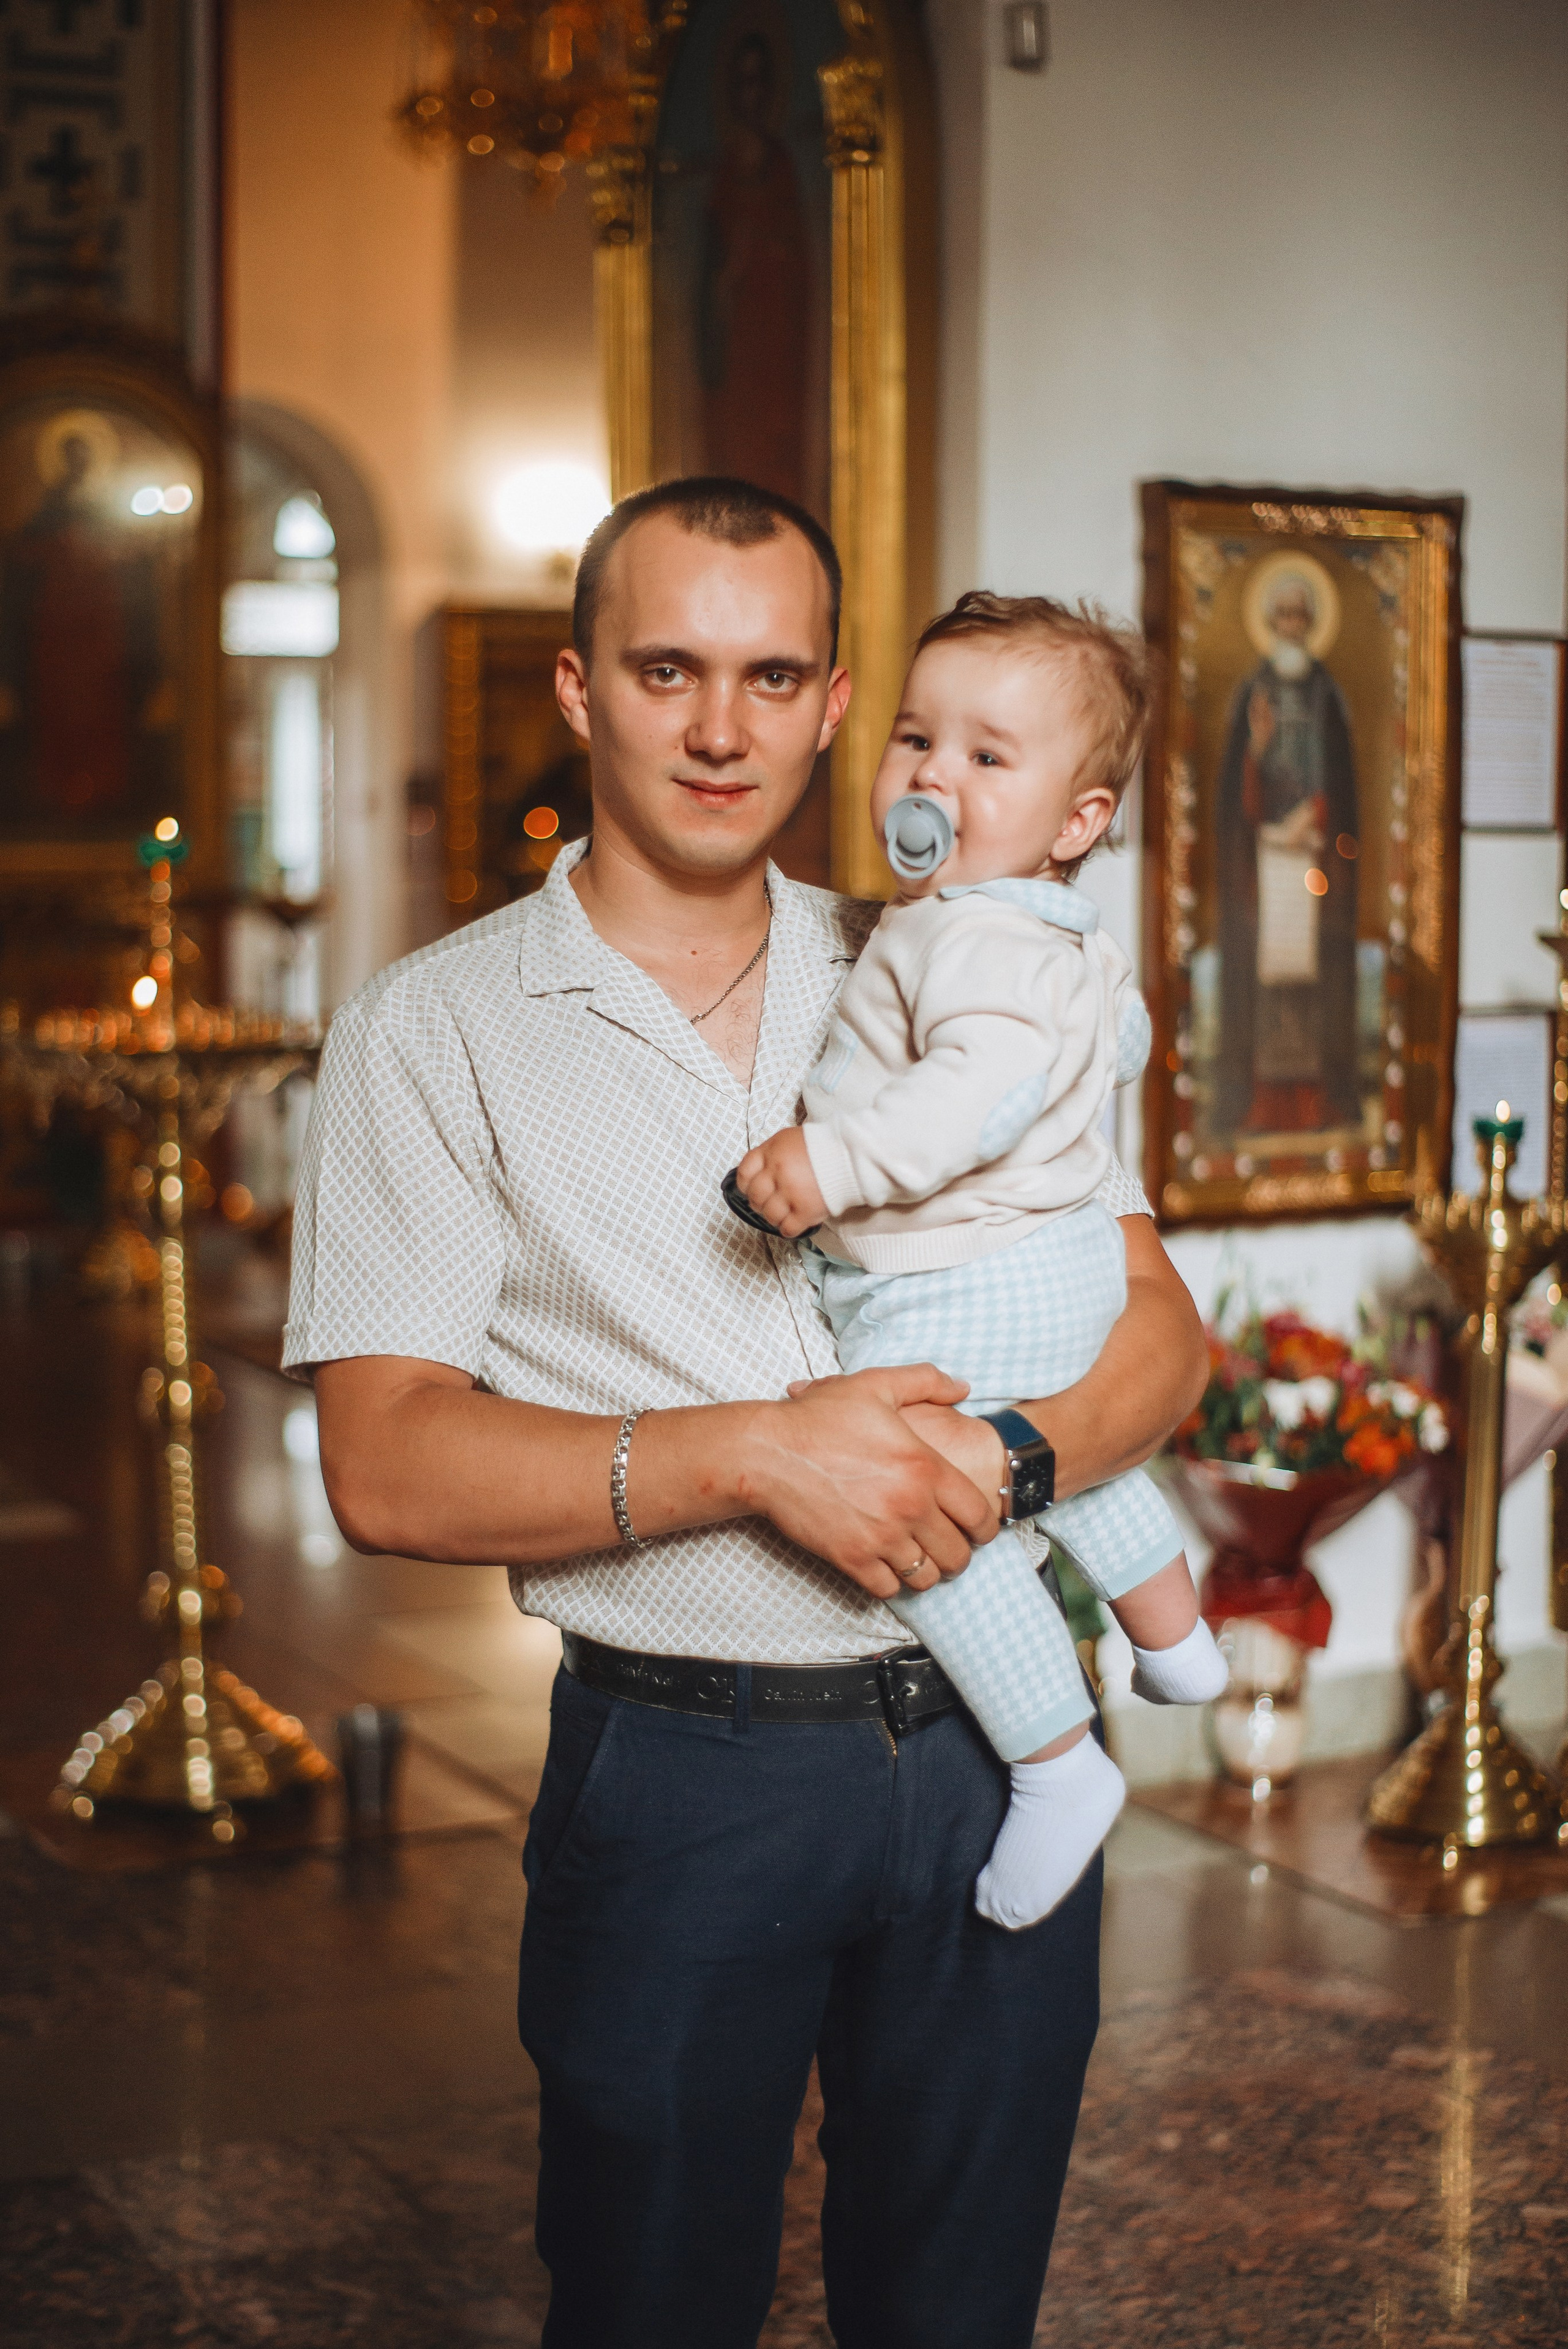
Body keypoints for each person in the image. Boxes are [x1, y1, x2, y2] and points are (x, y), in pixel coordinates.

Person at [288, 477, 1207, 2349]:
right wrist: (758, 1455)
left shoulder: (952, 955)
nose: (721, 729)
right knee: (648, 2306)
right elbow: (382, 1461)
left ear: (834, 699)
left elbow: (1158, 1340)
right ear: (576, 686)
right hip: (687, 1778)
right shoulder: (430, 1027)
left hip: (993, 1755)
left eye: (772, 675)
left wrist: (1008, 1464)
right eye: (666, 669)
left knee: (956, 2313)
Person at [734, 592, 1227, 1932]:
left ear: (1079, 819)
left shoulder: (962, 932)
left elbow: (974, 1095)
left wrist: (825, 1168)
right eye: (914, 739)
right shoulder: (1054, 927)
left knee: (936, 1528)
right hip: (1053, 1266)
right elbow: (1110, 1046)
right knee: (1069, 1464)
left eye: (985, 757)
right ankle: (1173, 1638)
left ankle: (1056, 1765)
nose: (932, 777)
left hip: (950, 1284)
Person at [1214, 566, 1360, 1136]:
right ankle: (1259, 1104)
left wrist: (1318, 816)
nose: (1292, 626)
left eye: (1301, 615)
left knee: (1315, 976)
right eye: (1283, 615)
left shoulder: (1329, 696)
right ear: (1271, 622)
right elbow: (1234, 788)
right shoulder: (1252, 692)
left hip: (1316, 857)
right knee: (1263, 975)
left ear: (1312, 622)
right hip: (1263, 863)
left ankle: (1318, 1102)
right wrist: (1257, 749)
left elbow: (1342, 782)